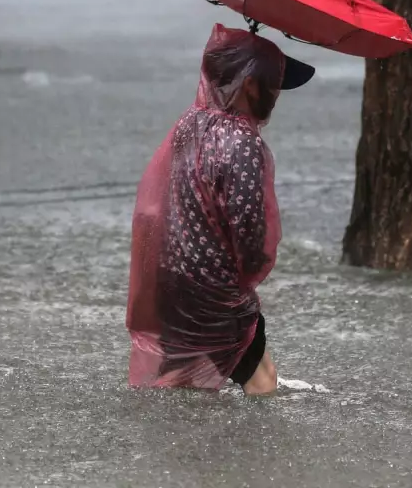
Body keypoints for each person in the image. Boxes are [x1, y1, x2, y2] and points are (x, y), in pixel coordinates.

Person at [126, 23, 315, 395]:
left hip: (169, 283)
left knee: (180, 387)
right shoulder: (243, 143)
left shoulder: (188, 124)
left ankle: (182, 452)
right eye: (272, 84)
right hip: (215, 297)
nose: (276, 96)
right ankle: (254, 452)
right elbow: (249, 231)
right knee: (262, 382)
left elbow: (162, 203)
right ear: (248, 85)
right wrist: (249, 278)